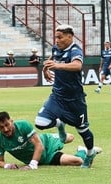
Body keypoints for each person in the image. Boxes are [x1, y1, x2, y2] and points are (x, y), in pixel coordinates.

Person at [34, 24, 99, 168]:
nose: (56, 40)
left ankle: (89, 153)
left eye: (60, 37)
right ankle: (60, 124)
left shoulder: (75, 50)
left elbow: (77, 66)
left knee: (83, 130)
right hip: (57, 96)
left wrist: (57, 66)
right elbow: (52, 58)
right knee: (40, 122)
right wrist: (45, 69)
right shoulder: (56, 48)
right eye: (55, 37)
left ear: (70, 36)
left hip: (75, 100)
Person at [0, 111, 102, 170]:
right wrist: (7, 166)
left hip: (46, 142)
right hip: (48, 157)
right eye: (2, 127)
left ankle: (58, 132)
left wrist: (32, 165)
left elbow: (39, 145)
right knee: (78, 161)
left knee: (70, 137)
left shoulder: (23, 125)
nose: (6, 129)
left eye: (7, 125)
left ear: (11, 121)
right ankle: (82, 151)